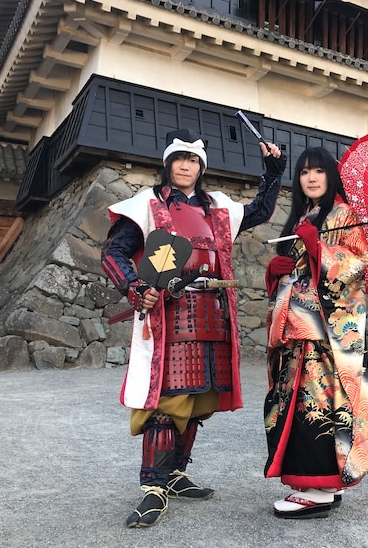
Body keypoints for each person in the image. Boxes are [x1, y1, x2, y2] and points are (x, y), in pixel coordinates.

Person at [101, 128, 286, 528]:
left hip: (212, 310)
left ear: (201, 167)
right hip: (169, 312)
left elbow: (257, 212)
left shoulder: (216, 207)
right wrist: (135, 288)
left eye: (193, 160)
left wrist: (273, 173)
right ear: (168, 164)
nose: (186, 165)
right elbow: (113, 252)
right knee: (167, 403)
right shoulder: (148, 205)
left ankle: (177, 474)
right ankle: (153, 488)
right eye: (179, 159)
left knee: (199, 398)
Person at [262, 146, 368, 519]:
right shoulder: (306, 214)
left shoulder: (344, 215)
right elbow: (294, 275)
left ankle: (318, 485)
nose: (311, 178)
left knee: (317, 406)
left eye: (318, 171)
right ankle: (320, 482)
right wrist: (276, 270)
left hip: (325, 336)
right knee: (298, 403)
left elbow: (358, 264)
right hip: (299, 331)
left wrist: (319, 250)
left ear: (332, 176)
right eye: (303, 172)